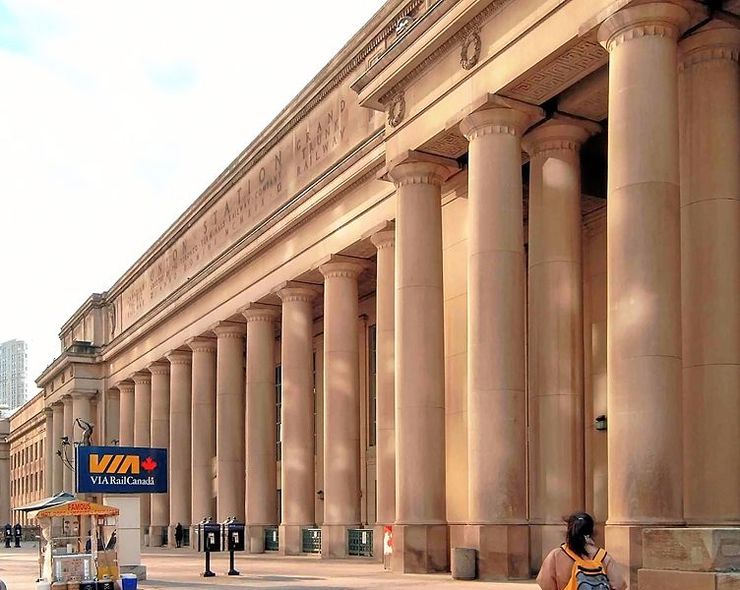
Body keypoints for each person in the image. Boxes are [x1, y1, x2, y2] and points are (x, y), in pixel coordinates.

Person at [536, 512, 627, 590]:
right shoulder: (604, 557)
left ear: (569, 530)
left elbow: (545, 583)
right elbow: (619, 585)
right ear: (591, 531)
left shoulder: (556, 555)